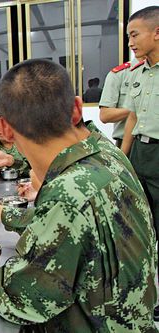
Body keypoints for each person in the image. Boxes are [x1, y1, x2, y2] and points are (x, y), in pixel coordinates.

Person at [0, 59, 156, 331]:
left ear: (4, 128)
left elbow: (20, 300)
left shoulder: (68, 192)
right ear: (77, 109)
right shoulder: (106, 152)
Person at [119, 5, 159, 321]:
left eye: (135, 34)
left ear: (156, 32)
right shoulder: (138, 73)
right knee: (137, 229)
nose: (130, 41)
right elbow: (132, 116)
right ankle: (141, 295)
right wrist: (123, 156)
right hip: (139, 155)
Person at [99, 58, 145, 148]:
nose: (131, 44)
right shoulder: (119, 74)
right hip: (126, 143)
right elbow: (105, 115)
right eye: (130, 42)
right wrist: (136, 107)